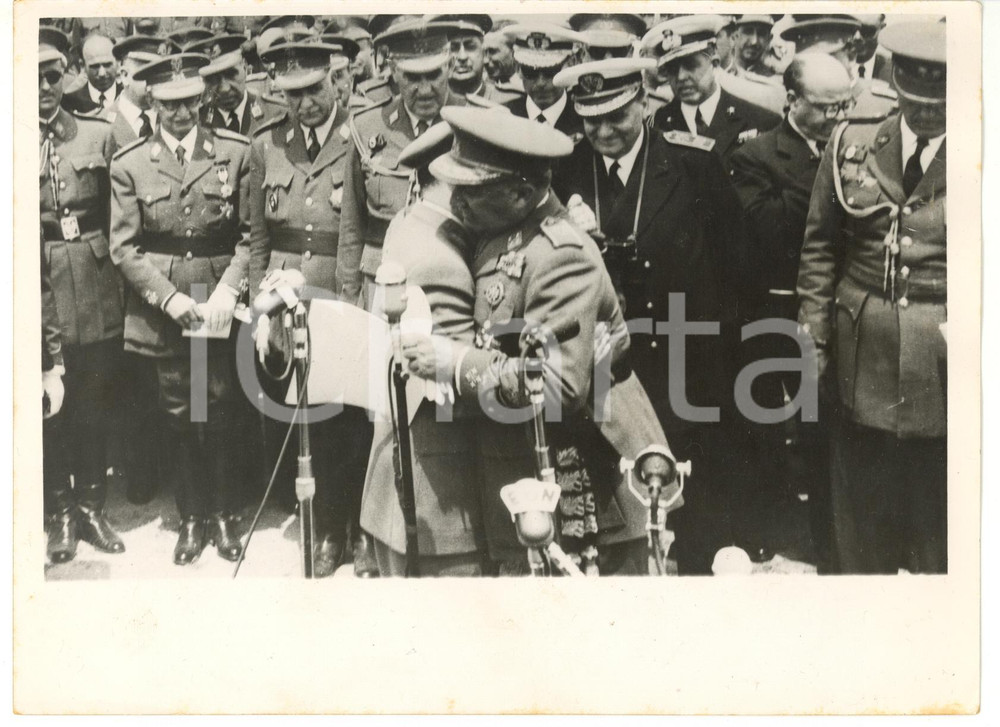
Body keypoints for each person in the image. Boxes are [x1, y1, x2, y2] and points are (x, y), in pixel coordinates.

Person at [403, 106, 681, 575]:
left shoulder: (559, 256)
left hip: (587, 476)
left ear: (523, 191)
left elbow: (557, 388)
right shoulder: (505, 231)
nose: (457, 203)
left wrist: (455, 363)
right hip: (528, 458)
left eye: (472, 192)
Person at [553, 58, 756, 573]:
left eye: (615, 116)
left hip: (686, 362)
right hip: (609, 373)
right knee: (621, 511)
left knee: (690, 509)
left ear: (644, 102)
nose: (602, 131)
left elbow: (738, 268)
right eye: (590, 120)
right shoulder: (567, 169)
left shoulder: (693, 164)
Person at [796, 21, 947, 575]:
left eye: (941, 101)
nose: (928, 112)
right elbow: (819, 248)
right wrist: (811, 338)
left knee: (940, 531)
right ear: (896, 85)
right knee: (861, 526)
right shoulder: (853, 142)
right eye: (917, 99)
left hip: (946, 371)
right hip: (862, 362)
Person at [109, 52, 252, 566]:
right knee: (179, 411)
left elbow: (249, 236)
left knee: (222, 409)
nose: (181, 113)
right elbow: (124, 247)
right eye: (169, 104)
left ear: (202, 99)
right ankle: (191, 517)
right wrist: (167, 299)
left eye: (190, 101)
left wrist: (229, 292)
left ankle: (224, 513)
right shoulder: (129, 163)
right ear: (151, 102)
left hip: (215, 301)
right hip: (168, 308)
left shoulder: (235, 153)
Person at [247, 39, 377, 578]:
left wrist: (350, 306)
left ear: (337, 79)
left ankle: (359, 527)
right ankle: (326, 528)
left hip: (340, 294)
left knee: (354, 420)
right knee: (311, 419)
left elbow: (359, 230)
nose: (306, 105)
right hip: (287, 301)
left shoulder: (361, 138)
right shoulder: (267, 146)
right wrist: (260, 308)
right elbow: (257, 236)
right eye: (294, 95)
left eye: (315, 90)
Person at [730, 53, 856, 571]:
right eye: (825, 108)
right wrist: (834, 181)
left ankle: (834, 546)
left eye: (845, 106)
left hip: (834, 309)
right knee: (769, 429)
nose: (836, 118)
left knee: (829, 432)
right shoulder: (755, 155)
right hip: (773, 314)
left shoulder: (857, 149)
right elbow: (774, 231)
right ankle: (769, 535)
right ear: (791, 101)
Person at [360, 121, 489, 576]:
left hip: (400, 485)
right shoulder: (443, 258)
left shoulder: (409, 222)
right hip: (440, 497)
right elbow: (457, 383)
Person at [39, 27, 127, 563]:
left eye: (53, 76)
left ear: (67, 75)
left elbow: (122, 211)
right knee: (51, 404)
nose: (45, 87)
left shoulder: (97, 133)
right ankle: (61, 512)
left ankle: (93, 505)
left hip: (93, 282)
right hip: (38, 280)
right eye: (32, 78)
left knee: (94, 396)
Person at [337, 20, 464, 308]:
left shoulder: (474, 123)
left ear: (451, 66)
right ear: (393, 71)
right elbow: (351, 226)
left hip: (452, 280)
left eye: (433, 75)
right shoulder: (368, 126)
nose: (424, 89)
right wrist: (348, 297)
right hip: (380, 281)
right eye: (411, 77)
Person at [650, 15, 780, 169]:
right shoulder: (657, 126)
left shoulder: (759, 120)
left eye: (691, 65)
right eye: (672, 69)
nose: (681, 77)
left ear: (714, 62)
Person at [779, 14, 898, 119]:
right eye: (806, 61)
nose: (814, 68)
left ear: (851, 56)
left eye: (826, 59)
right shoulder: (784, 101)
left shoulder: (880, 104)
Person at [189, 34, 285, 137]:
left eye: (231, 74)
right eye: (213, 80)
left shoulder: (277, 113)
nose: (224, 89)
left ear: (244, 67)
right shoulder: (195, 122)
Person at [105, 35, 180, 153]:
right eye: (148, 72)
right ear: (124, 76)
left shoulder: (175, 121)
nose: (156, 81)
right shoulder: (102, 125)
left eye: (161, 73)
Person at [432, 14, 518, 104]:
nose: (462, 57)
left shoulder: (512, 101)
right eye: (453, 48)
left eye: (470, 47)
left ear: (484, 52)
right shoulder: (429, 105)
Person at [61, 34, 122, 115]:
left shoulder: (129, 99)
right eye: (95, 66)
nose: (102, 73)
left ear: (118, 62)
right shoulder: (69, 103)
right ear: (82, 65)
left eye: (107, 65)